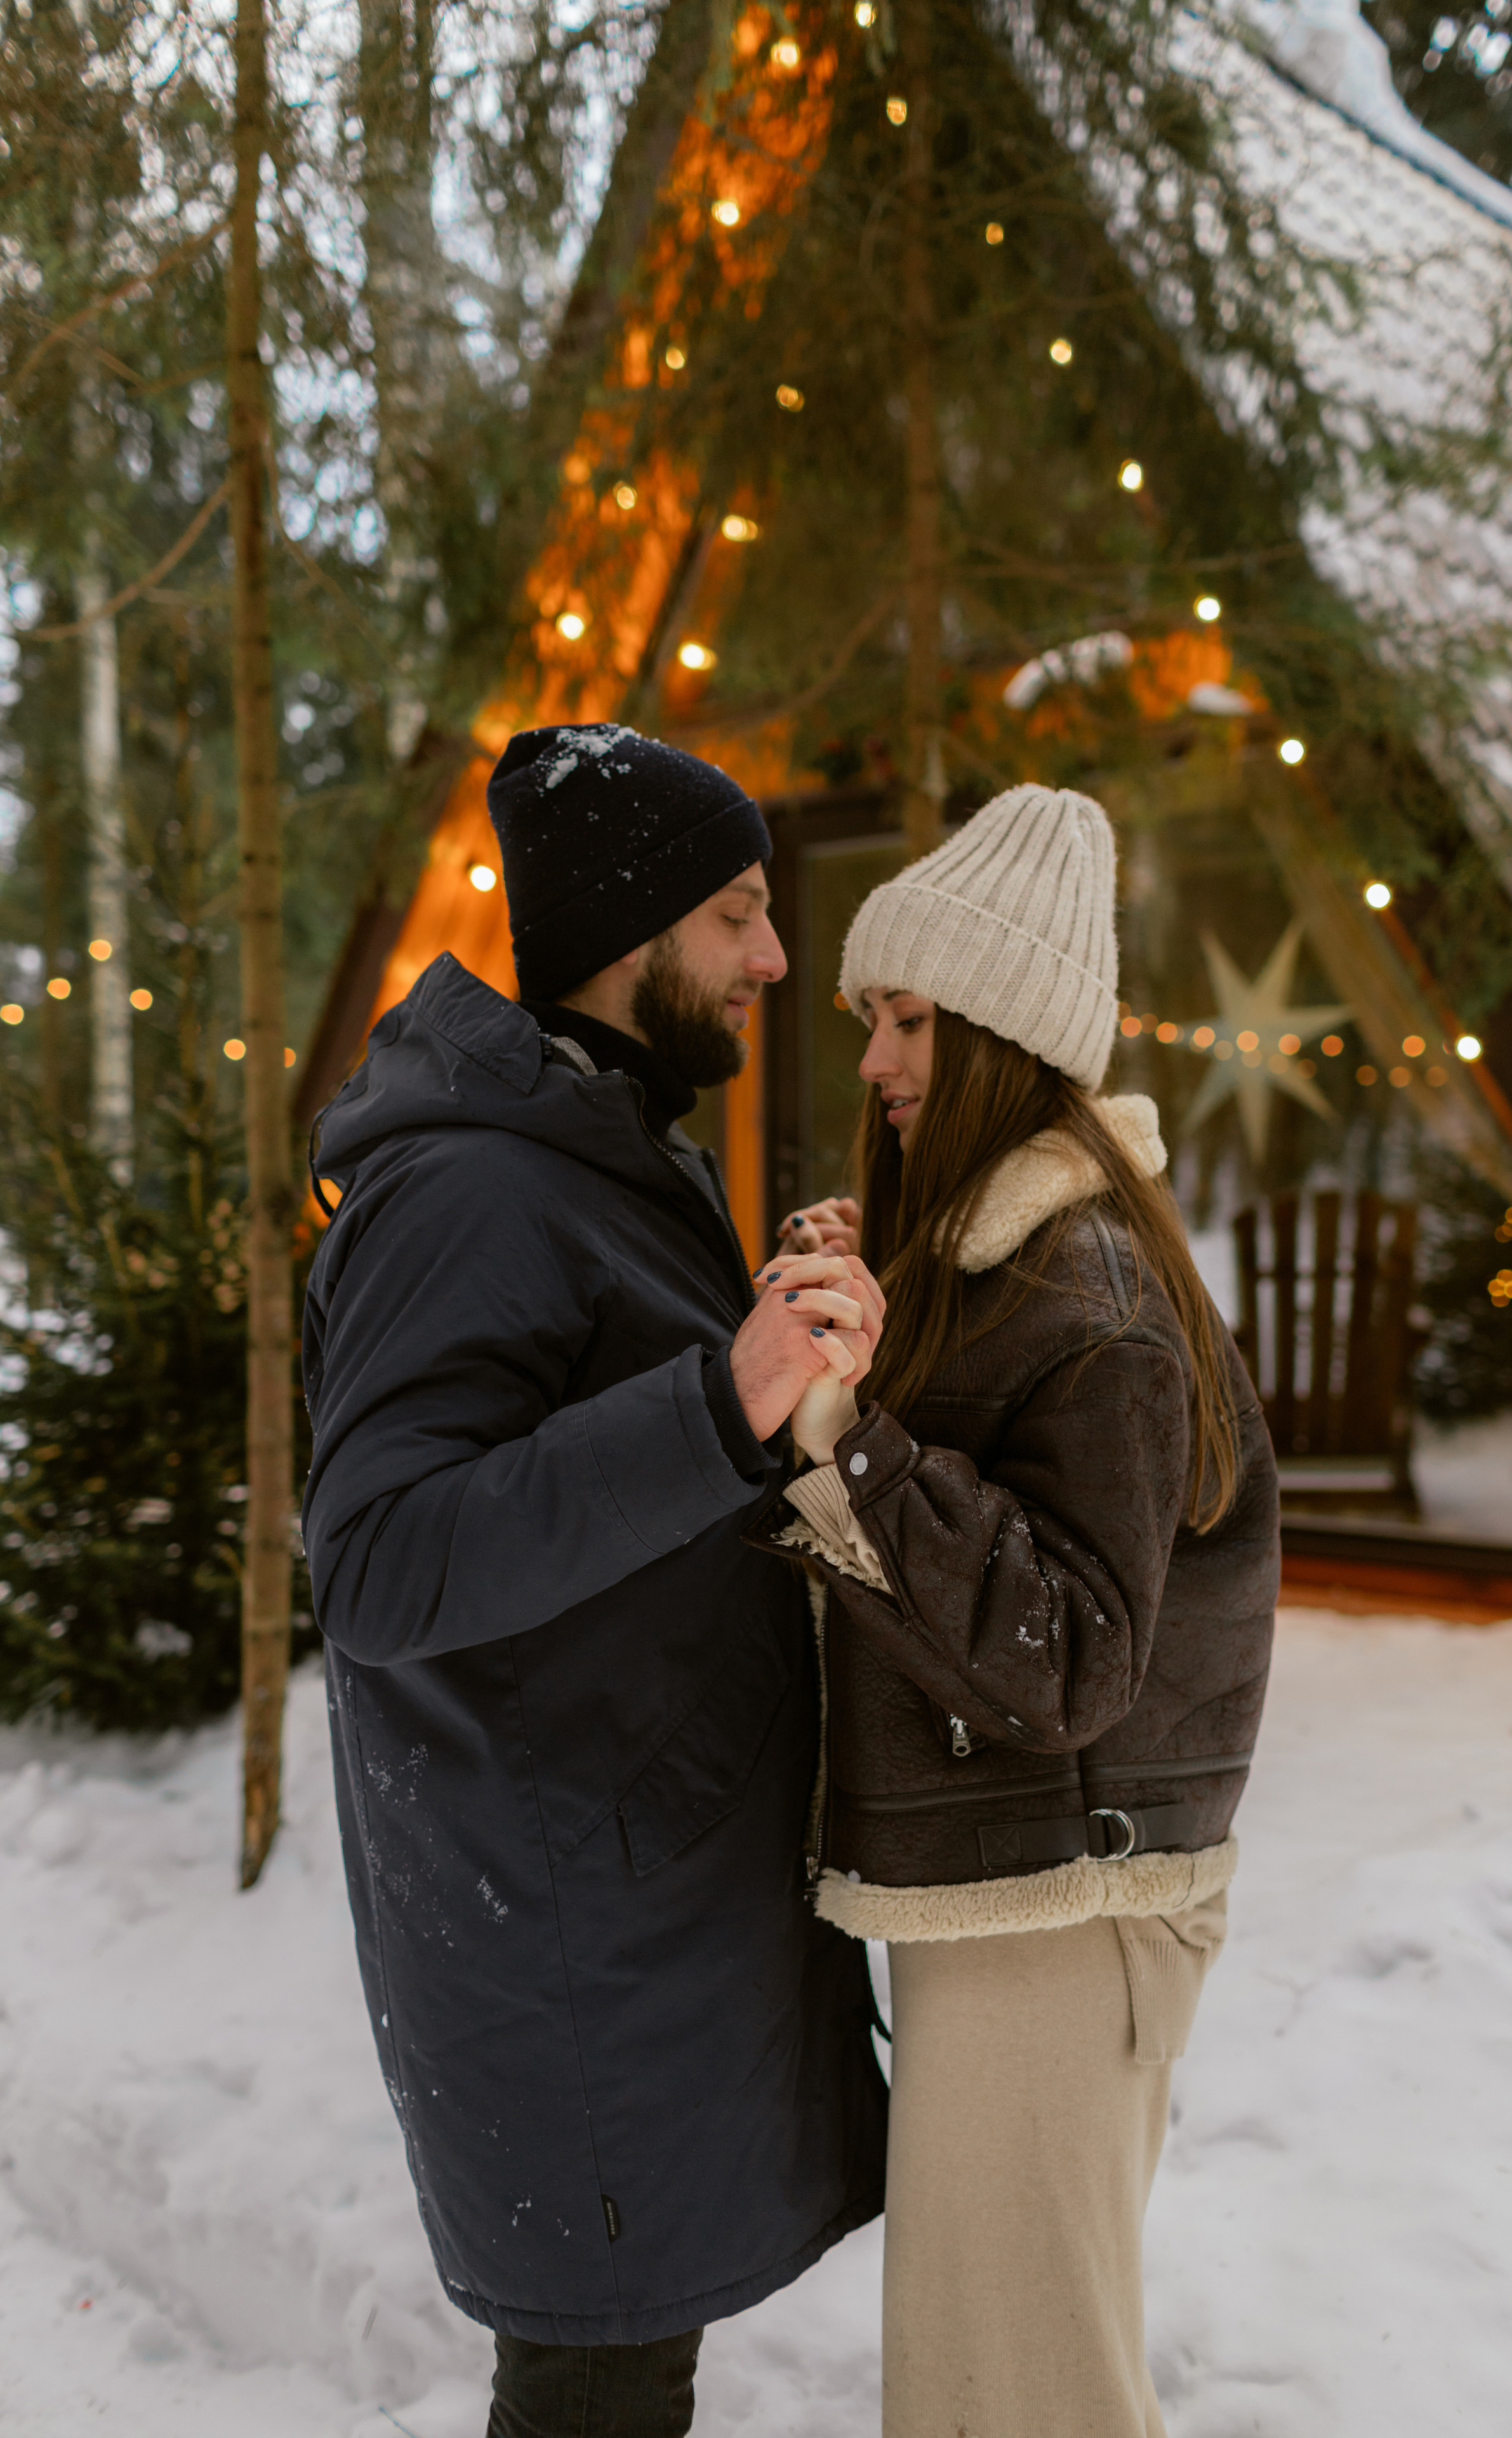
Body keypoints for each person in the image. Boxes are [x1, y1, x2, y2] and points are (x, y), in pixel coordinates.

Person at [301, 724, 889, 2438]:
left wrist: (770, 1382)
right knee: (593, 2394)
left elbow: (615, 1478)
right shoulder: (469, 1187)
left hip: (630, 1909)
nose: (776, 959)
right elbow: (382, 1563)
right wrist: (720, 1398)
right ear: (633, 938)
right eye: (737, 915)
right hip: (564, 1939)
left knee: (625, 2380)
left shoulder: (600, 1145)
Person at [755, 782, 1281, 2438]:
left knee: (1028, 2391)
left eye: (910, 1018)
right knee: (984, 2382)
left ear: (1000, 1030)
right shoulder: (1013, 1269)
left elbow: (1074, 1652)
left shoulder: (1096, 1294)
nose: (880, 1059)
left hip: (1068, 1903)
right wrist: (879, 1333)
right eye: (870, 1020)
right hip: (1019, 1893)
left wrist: (861, 1436)